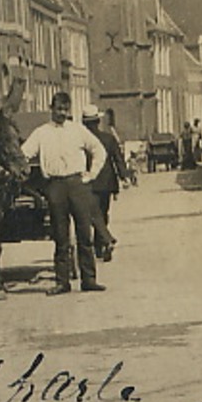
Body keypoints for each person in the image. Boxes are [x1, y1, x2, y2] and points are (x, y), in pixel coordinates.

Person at [21, 91, 107, 295]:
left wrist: (90, 174)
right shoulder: (41, 132)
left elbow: (98, 150)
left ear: (69, 110)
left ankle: (89, 279)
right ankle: (62, 282)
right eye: (58, 109)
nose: (61, 113)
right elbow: (24, 153)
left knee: (84, 233)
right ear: (51, 109)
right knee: (60, 235)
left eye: (65, 109)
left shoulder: (77, 130)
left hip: (77, 184)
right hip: (55, 186)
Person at [82, 106, 128, 261]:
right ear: (98, 121)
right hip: (107, 183)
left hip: (89, 182)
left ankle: (100, 244)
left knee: (92, 214)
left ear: (84, 123)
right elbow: (118, 159)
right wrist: (124, 177)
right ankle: (102, 243)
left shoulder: (81, 141)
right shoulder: (108, 138)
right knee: (103, 212)